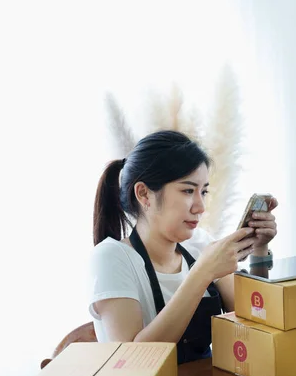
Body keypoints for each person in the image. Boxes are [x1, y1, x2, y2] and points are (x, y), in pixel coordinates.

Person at [88, 130, 278, 364]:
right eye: (188, 190)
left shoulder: (199, 244)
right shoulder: (112, 257)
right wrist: (203, 273)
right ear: (144, 194)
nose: (200, 207)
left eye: (204, 191)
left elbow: (258, 318)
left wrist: (259, 250)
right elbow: (132, 361)